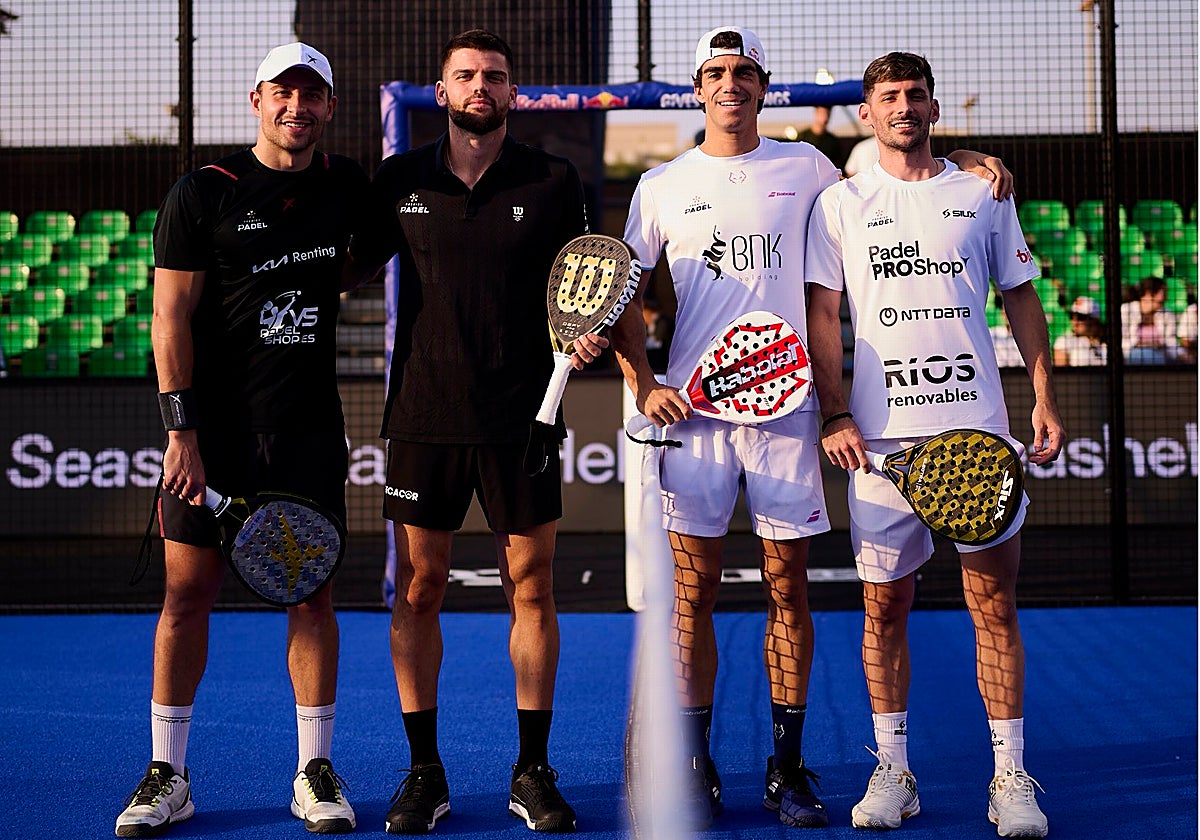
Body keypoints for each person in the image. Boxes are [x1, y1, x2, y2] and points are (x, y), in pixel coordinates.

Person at [609, 26, 1015, 831]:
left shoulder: (809, 167)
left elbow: (904, 171)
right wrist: (642, 381)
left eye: (746, 73)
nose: (732, 84)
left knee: (787, 590)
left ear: (765, 85)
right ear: (698, 86)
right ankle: (693, 763)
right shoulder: (659, 183)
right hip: (695, 421)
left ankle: (787, 767)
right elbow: (620, 288)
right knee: (692, 595)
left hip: (789, 417)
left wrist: (971, 160)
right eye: (717, 73)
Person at [345, 29, 604, 835]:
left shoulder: (555, 179)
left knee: (533, 587)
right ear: (442, 88)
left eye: (495, 76)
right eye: (466, 75)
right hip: (424, 416)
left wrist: (589, 337)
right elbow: (347, 266)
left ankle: (533, 770)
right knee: (420, 589)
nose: (480, 86)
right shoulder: (400, 177)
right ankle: (424, 772)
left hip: (525, 417)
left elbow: (587, 281)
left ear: (513, 92)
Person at [805, 52, 1065, 838]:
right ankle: (894, 771)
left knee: (995, 607)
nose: (904, 108)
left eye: (916, 95)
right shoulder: (839, 204)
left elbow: (1021, 298)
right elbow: (823, 318)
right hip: (881, 448)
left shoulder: (980, 191)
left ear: (934, 108)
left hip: (978, 433)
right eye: (889, 97)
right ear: (866, 115)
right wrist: (836, 412)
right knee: (884, 610)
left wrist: (1044, 396)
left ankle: (1011, 778)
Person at [115, 43, 366, 837]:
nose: (297, 107)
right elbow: (170, 318)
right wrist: (180, 431)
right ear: (255, 99)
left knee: (312, 590)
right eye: (283, 93)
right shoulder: (202, 193)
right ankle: (168, 775)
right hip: (212, 436)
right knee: (187, 595)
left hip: (309, 431)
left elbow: (358, 265)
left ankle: (313, 772)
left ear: (330, 107)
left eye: (312, 95)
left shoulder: (347, 187)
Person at [1121, 275, 1179, 364]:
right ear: (1148, 293)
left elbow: (1171, 342)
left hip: (1161, 355)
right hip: (1131, 355)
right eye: (1164, 291)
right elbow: (1122, 341)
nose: (1166, 297)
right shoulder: (1126, 310)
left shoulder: (1167, 314)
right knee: (1143, 354)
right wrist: (1142, 345)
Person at [1053, 296, 1108, 366]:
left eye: (1080, 317)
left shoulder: (1110, 342)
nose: (1074, 322)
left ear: (1094, 320)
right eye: (1071, 316)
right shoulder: (1064, 341)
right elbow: (1061, 375)